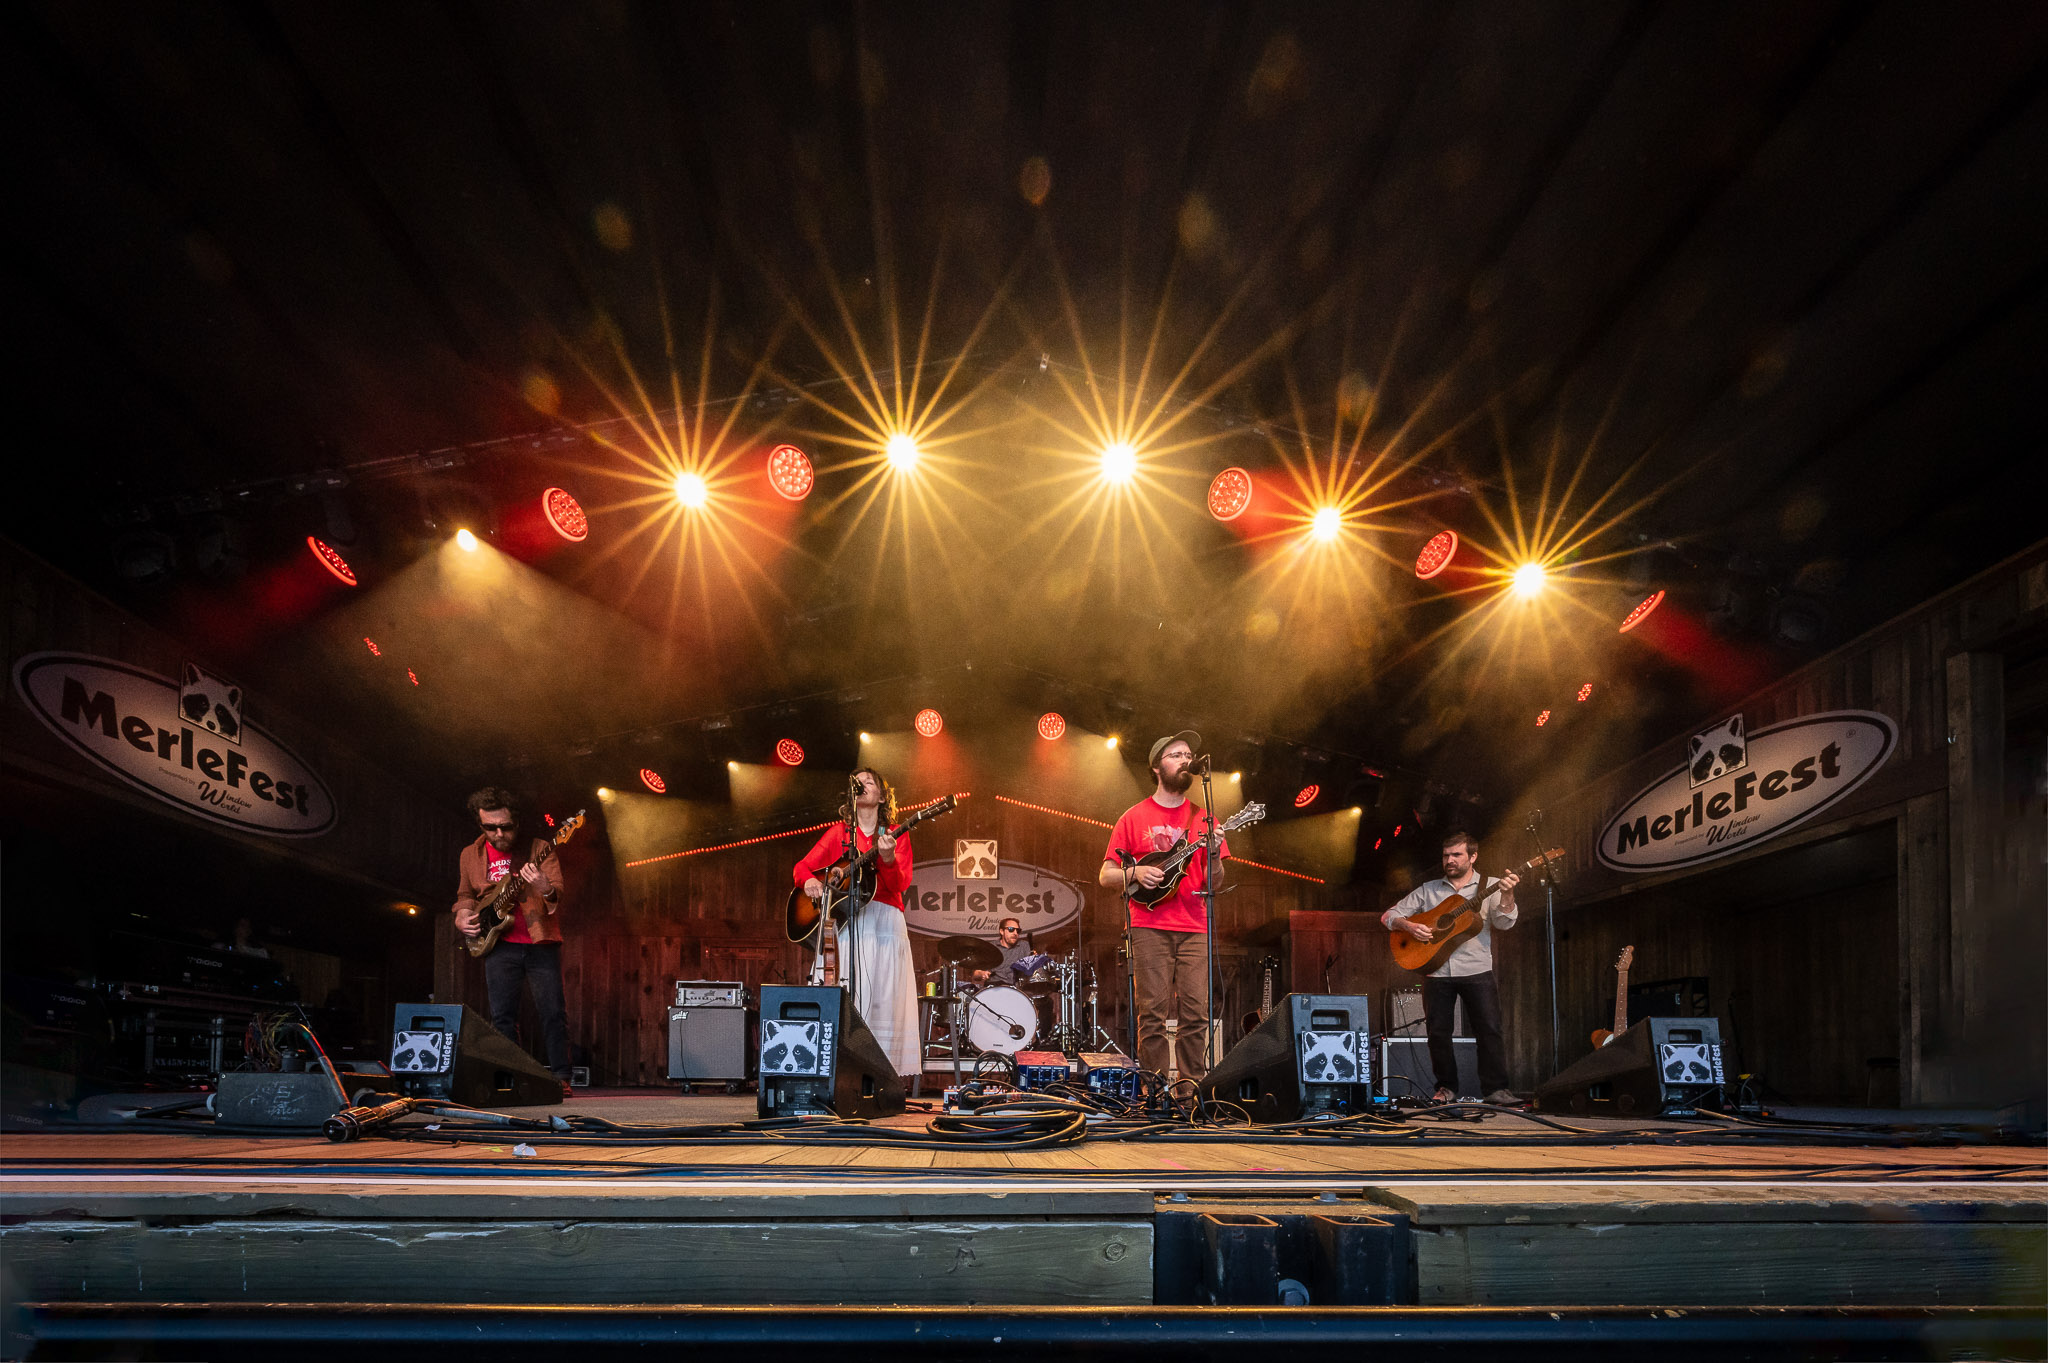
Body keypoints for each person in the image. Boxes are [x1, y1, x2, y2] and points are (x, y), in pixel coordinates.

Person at [1098, 731, 1229, 1083]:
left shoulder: (1206, 819)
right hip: (1148, 925)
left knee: (1196, 1015)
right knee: (1152, 1014)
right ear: (1157, 767)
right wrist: (1136, 872)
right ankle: (1154, 1092)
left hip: (1195, 925)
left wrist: (1214, 854)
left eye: (1188, 755)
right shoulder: (1133, 817)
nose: (1185, 760)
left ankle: (1190, 1091)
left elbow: (1215, 883)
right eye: (1176, 755)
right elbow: (1106, 875)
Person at [792, 767, 920, 1076]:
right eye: (857, 782)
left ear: (882, 796)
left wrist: (887, 858)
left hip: (885, 920)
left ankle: (883, 1075)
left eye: (869, 782)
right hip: (848, 921)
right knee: (847, 991)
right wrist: (810, 881)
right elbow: (801, 867)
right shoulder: (839, 834)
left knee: (884, 997)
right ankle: (840, 1069)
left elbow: (900, 884)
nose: (862, 785)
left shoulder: (894, 834)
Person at [1381, 831, 1520, 1105]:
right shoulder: (1428, 889)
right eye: (1446, 855)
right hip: (1436, 971)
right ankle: (1445, 1088)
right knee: (1438, 1033)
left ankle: (1496, 1090)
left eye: (1457, 855)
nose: (1450, 860)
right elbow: (1388, 915)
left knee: (1489, 1030)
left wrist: (1508, 895)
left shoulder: (1491, 885)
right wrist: (1409, 926)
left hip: (1477, 969)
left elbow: (1505, 923)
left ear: (1473, 856)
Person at [452, 786, 574, 1098]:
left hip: (539, 942)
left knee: (552, 1012)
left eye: (505, 827)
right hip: (498, 943)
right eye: (490, 827)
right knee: (502, 1016)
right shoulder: (469, 854)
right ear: (480, 823)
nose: (499, 834)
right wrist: (461, 916)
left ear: (516, 822)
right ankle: (512, 1076)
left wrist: (544, 885)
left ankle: (561, 1076)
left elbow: (557, 892)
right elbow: (466, 894)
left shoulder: (539, 848)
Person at [971, 916, 1033, 984]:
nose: (1015, 933)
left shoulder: (1024, 946)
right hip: (994, 986)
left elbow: (1032, 970)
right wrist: (981, 973)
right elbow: (975, 975)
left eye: (1018, 931)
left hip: (1017, 987)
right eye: (1011, 929)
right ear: (1001, 931)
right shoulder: (990, 947)